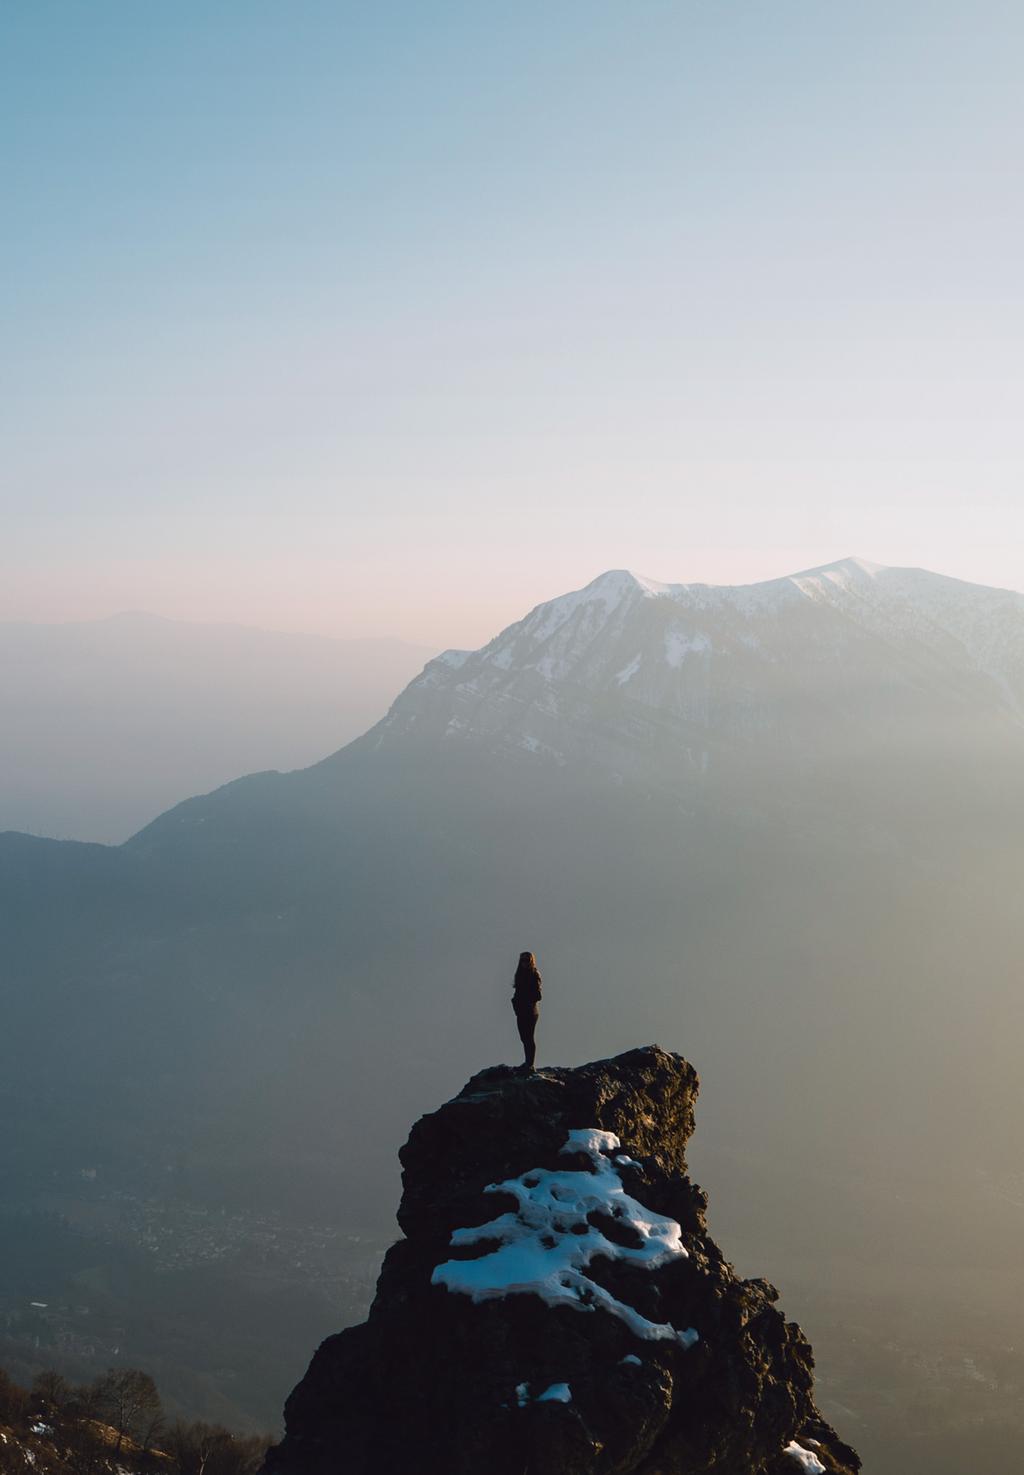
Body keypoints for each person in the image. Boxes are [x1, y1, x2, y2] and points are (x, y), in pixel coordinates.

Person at [512, 950, 542, 1071]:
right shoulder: (519, 975)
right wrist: (515, 1002)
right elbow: (517, 992)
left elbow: (538, 995)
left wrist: (527, 1000)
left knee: (529, 1037)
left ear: (531, 961)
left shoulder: (535, 974)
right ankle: (527, 1062)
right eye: (522, 960)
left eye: (526, 960)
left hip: (530, 1011)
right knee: (524, 1037)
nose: (524, 963)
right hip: (521, 1011)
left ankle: (530, 1064)